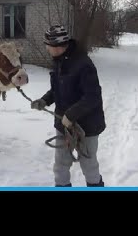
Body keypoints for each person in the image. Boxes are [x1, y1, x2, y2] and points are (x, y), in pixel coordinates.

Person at [31, 25, 106, 187]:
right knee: (61, 164)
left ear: (57, 46)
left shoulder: (83, 64)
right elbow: (58, 89)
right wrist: (44, 100)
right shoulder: (59, 61)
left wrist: (71, 115)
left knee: (89, 165)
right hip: (63, 125)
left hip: (87, 125)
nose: (46, 48)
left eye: (48, 45)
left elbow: (92, 97)